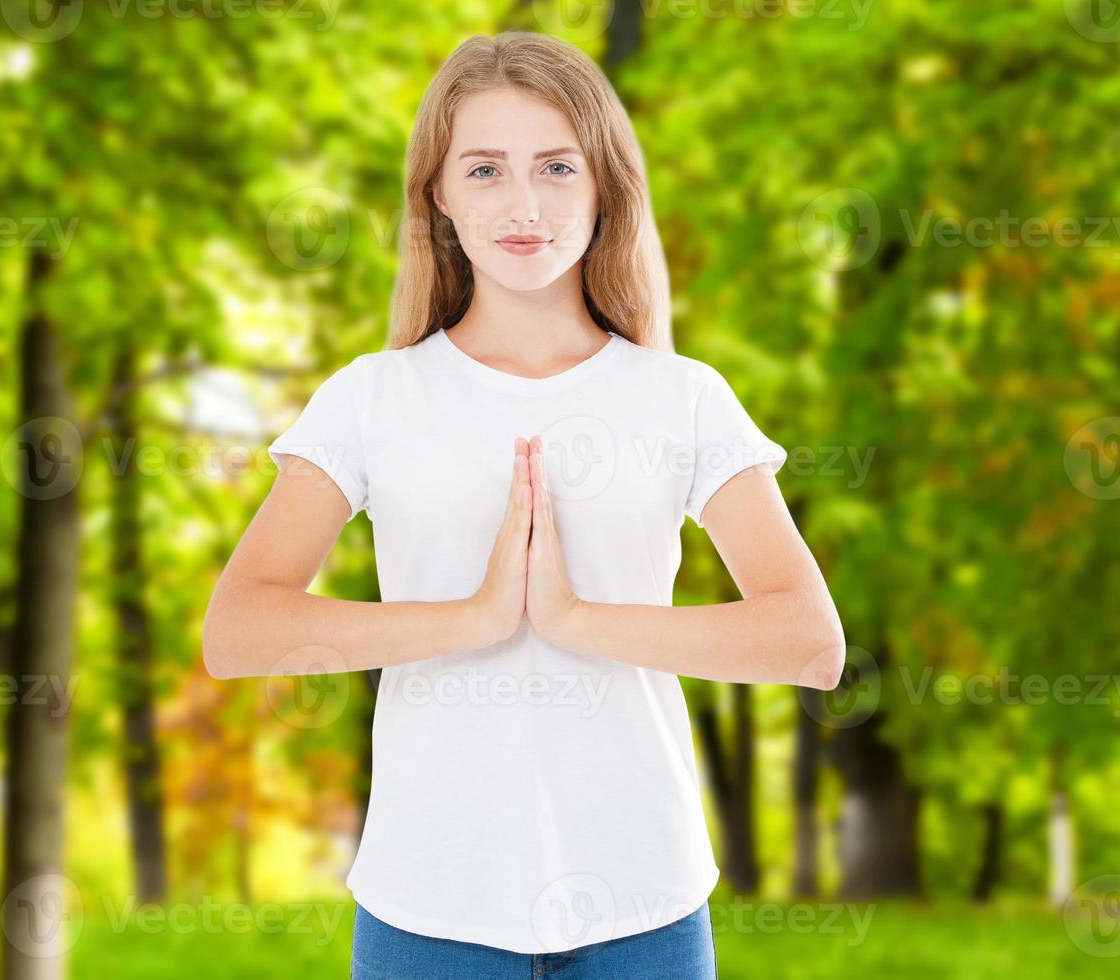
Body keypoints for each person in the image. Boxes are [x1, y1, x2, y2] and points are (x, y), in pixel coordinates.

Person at [203, 30, 845, 979]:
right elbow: (238, 631)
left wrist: (577, 619)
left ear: (604, 188)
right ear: (439, 196)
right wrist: (471, 619)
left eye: (555, 167)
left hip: (644, 904)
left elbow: (809, 642)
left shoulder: (682, 397)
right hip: (427, 908)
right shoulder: (372, 398)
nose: (524, 204)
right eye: (485, 169)